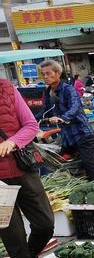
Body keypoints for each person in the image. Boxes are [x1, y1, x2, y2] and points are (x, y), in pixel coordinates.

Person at [0, 78, 54, 257]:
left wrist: (12, 141)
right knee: (14, 239)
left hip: (22, 168)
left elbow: (31, 125)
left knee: (45, 224)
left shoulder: (6, 88)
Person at [37, 60, 94, 180]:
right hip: (67, 137)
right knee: (57, 161)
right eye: (43, 74)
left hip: (82, 134)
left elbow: (75, 107)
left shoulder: (68, 89)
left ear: (57, 73)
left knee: (88, 164)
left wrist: (62, 118)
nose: (45, 77)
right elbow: (44, 111)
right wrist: (30, 121)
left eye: (48, 73)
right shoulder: (47, 92)